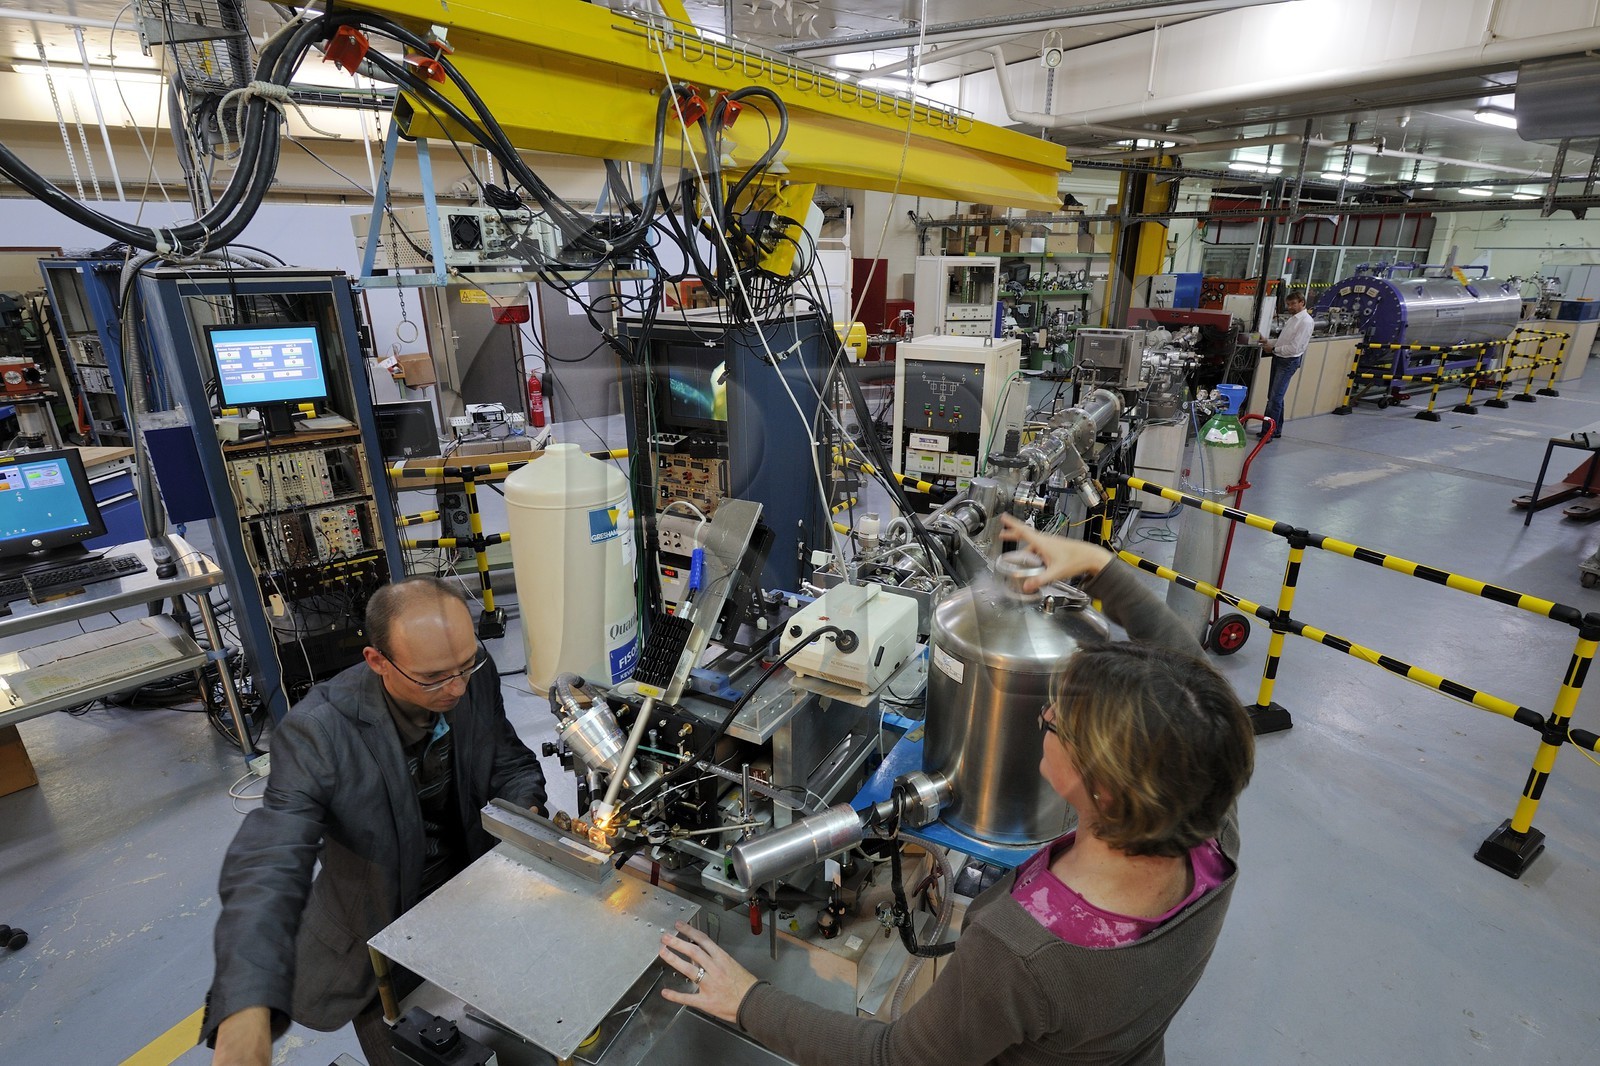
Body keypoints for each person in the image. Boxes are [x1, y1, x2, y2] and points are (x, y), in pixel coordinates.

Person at [658, 515, 1254, 1066]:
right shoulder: (1208, 824)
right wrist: (1097, 567)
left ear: (1101, 790)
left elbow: (893, 1058)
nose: (1044, 714)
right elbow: (1194, 686)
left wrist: (747, 999)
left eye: (1055, 721)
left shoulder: (1023, 951)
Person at [204, 577, 546, 1066]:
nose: (457, 688)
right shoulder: (319, 731)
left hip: (473, 906)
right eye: (433, 678)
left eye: (466, 666)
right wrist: (245, 1007)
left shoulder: (472, 675)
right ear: (377, 661)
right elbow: (270, 858)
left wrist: (524, 821)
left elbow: (508, 763)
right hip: (383, 940)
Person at [1260, 289, 1313, 442]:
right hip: (1279, 358)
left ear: (1302, 303)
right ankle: (1275, 429)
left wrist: (1274, 349)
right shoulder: (1292, 319)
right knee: (1275, 396)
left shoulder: (1305, 322)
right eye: (1288, 304)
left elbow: (1295, 348)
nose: (1290, 307)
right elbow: (1285, 341)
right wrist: (1268, 343)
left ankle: (1267, 433)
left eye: (1293, 304)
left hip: (1288, 361)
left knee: (1275, 399)